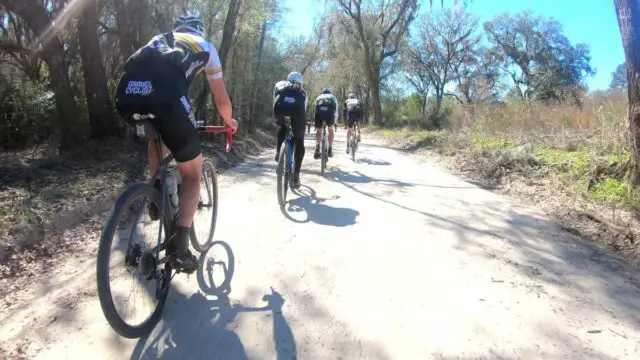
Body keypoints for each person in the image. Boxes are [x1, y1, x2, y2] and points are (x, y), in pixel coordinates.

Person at [114, 14, 238, 273]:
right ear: (200, 31)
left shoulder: (159, 40)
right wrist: (229, 121)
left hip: (127, 93)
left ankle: (157, 192)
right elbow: (221, 99)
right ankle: (179, 248)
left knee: (159, 134)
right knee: (192, 174)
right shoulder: (205, 46)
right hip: (167, 95)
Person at [273, 71, 308, 189]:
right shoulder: (302, 92)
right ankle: (296, 175)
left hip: (279, 110)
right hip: (297, 113)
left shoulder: (280, 85)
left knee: (282, 127)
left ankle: (278, 152)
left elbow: (274, 99)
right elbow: (304, 108)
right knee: (299, 142)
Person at [313, 88, 338, 159]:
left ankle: (317, 147)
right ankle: (330, 149)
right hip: (329, 117)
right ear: (330, 92)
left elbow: (315, 110)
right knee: (330, 130)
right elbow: (336, 111)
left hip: (319, 116)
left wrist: (315, 121)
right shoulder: (333, 97)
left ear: (323, 92)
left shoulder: (319, 97)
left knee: (319, 131)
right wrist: (335, 122)